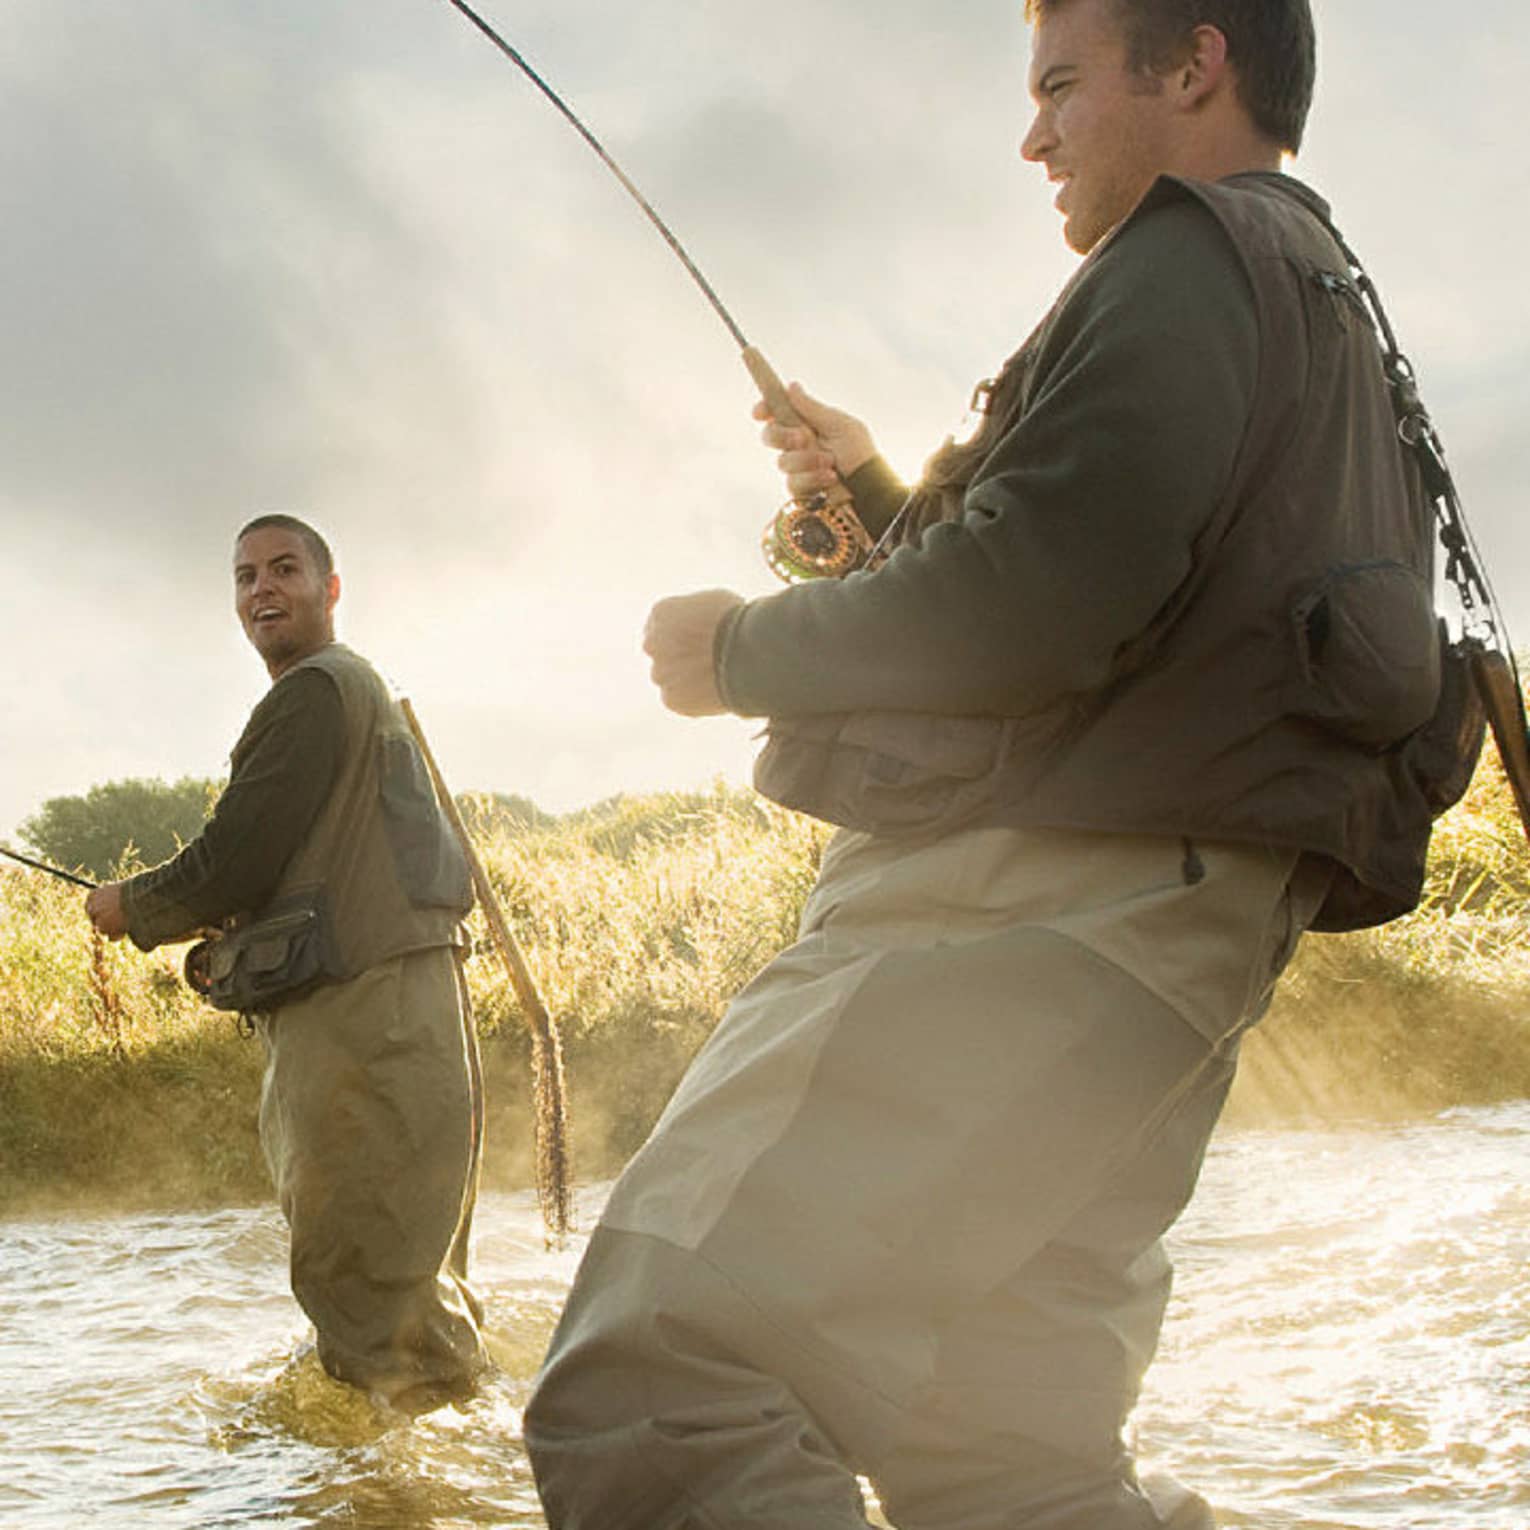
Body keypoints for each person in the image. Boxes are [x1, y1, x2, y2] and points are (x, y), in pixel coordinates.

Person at [526, 1, 1465, 1525]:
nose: (1030, 134)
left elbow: (1029, 603)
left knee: (656, 1385)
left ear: (1193, 63)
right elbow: (1118, 590)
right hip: (1160, 963)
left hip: (1022, 921)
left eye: (1057, 86)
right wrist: (883, 492)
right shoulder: (1321, 299)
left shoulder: (1183, 255)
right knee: (1005, 1463)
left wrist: (738, 652)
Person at [85, 514, 487, 1415]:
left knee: (362, 1291)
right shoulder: (358, 691)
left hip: (362, 1026)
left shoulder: (311, 692)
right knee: (414, 1290)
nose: (262, 589)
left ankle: (385, 1498)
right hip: (407, 1017)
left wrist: (132, 907)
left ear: (329, 588)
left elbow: (236, 857)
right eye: (244, 577)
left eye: (284, 569)